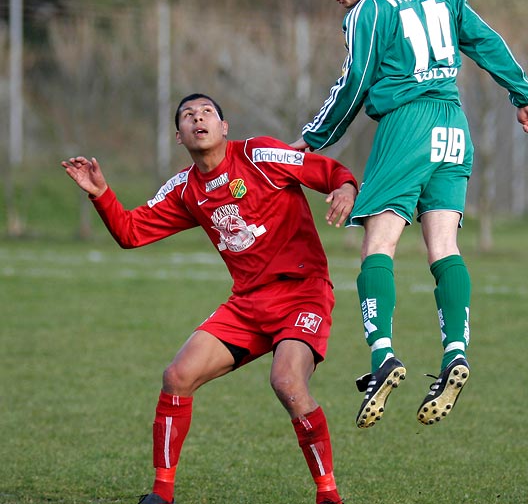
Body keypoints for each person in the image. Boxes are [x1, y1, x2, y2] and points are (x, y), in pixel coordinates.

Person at [291, 0, 528, 430]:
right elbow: (485, 40)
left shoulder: (370, 8)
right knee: (444, 246)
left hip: (406, 125)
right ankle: (455, 352)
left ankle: (382, 355)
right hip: (453, 123)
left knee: (378, 245)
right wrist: (523, 95)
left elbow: (355, 81)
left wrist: (311, 140)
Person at [62, 93, 357, 504]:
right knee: (177, 376)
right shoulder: (185, 188)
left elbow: (324, 170)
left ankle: (328, 495)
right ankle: (160, 495)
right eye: (187, 115)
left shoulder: (260, 154)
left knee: (287, 382)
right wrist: (101, 194)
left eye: (206, 113)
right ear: (180, 136)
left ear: (224, 127)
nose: (197, 119)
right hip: (249, 303)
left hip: (302, 293)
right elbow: (130, 232)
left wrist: (344, 187)